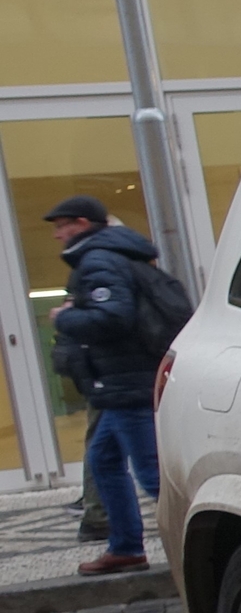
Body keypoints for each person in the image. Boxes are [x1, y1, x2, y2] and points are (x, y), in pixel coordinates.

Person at [44, 196, 165, 576]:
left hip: (126, 381)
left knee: (152, 474)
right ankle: (126, 548)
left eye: (63, 226)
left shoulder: (98, 259)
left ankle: (211, 543)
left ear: (82, 223)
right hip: (118, 381)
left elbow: (113, 316)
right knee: (104, 460)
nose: (58, 235)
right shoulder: (113, 253)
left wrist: (65, 317)